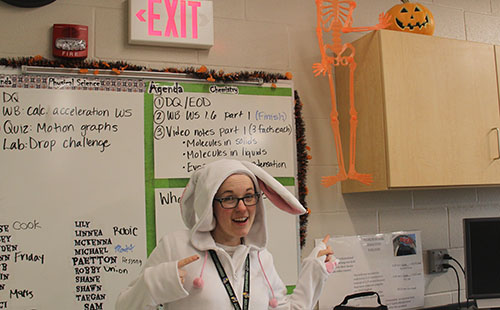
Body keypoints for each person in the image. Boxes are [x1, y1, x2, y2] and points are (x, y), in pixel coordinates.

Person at [116, 159, 337, 310]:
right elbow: (123, 306)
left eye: (249, 196)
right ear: (208, 205)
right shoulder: (176, 246)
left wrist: (314, 272)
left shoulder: (261, 258)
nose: (242, 208)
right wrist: (154, 284)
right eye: (229, 198)